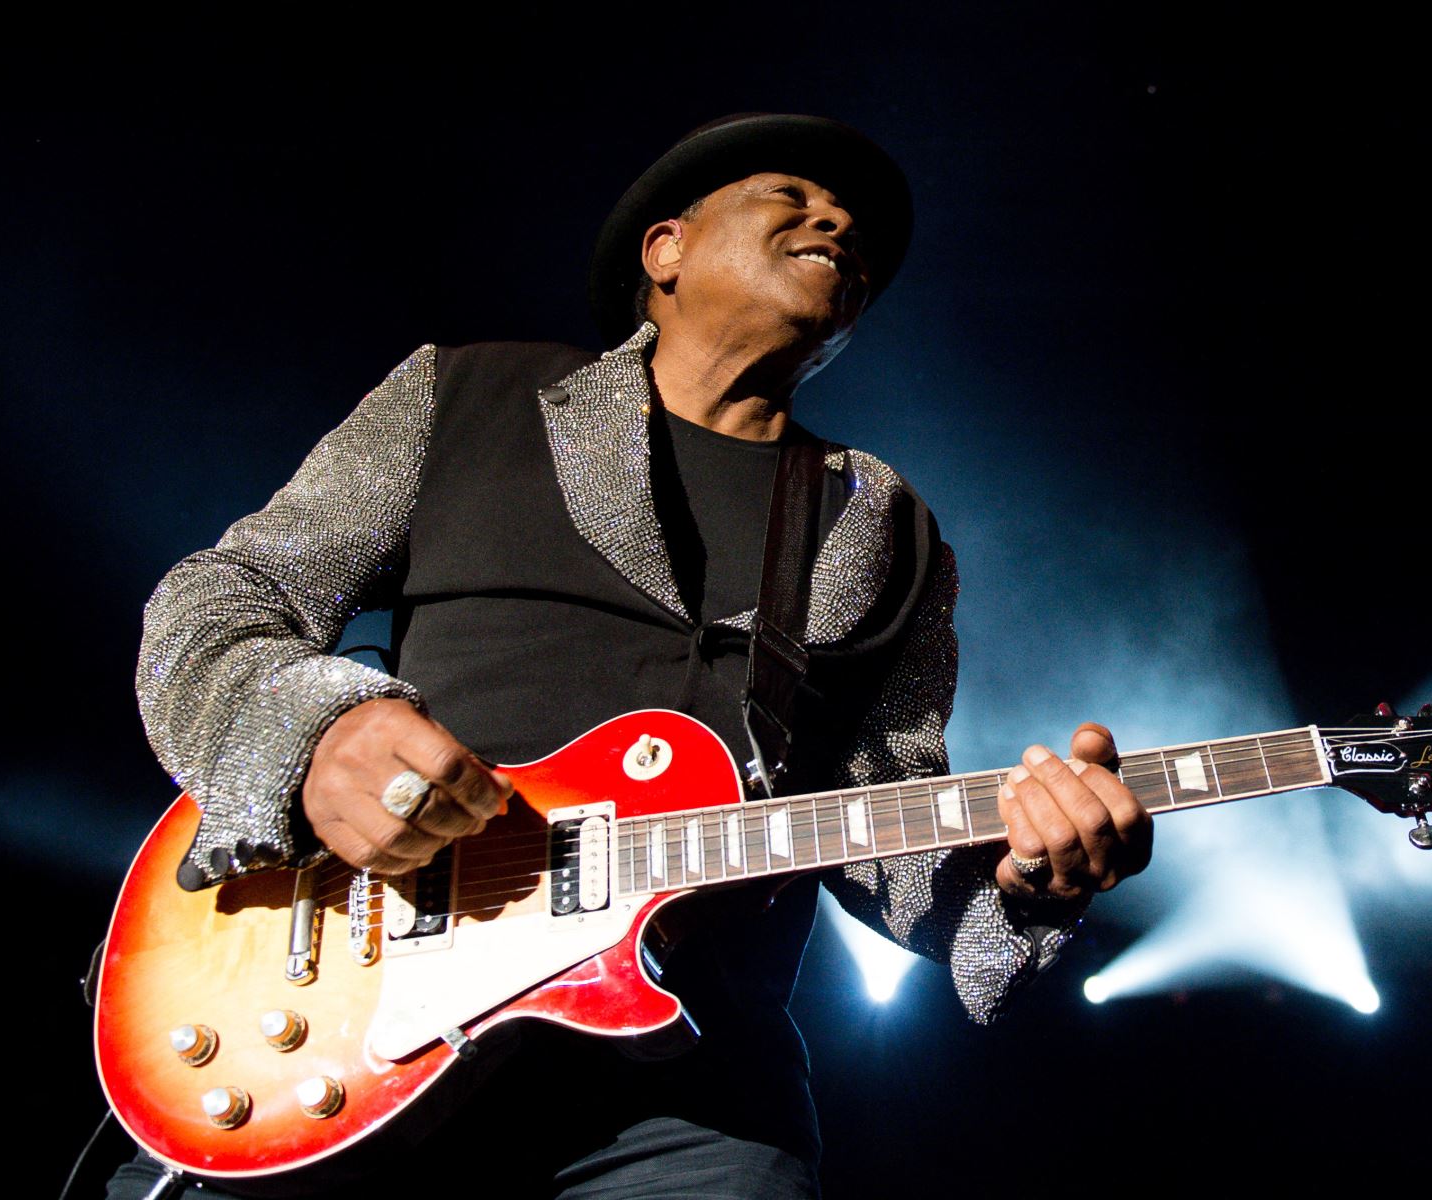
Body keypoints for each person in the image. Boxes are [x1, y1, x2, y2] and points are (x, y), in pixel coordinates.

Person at [110, 114, 1152, 1199]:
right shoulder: (464, 394)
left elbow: (887, 832)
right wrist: (319, 733)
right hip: (358, 1010)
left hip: (689, 1092)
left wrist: (1027, 883)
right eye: (789, 195)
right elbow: (223, 597)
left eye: (855, 230)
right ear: (667, 250)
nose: (836, 221)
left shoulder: (881, 524)